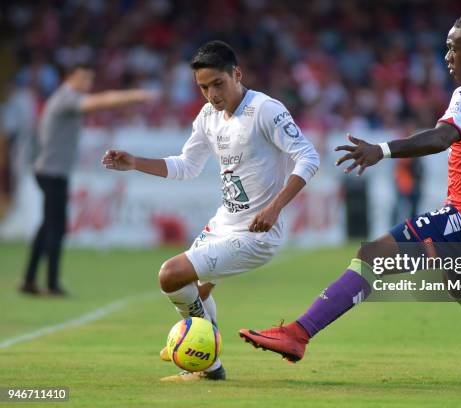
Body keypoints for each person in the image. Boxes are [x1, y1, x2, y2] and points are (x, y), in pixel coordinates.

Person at [240, 12, 461, 385]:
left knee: (373, 255)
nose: (446, 56)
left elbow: (441, 137)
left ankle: (298, 335)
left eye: (452, 48)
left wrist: (381, 150)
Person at [101, 41, 319, 381]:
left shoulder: (265, 110)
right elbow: (187, 165)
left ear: (237, 74)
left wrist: (275, 208)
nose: (212, 94)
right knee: (195, 293)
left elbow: (309, 157)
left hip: (256, 234)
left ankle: (202, 353)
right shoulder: (208, 116)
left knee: (170, 275)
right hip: (223, 224)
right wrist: (134, 163)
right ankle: (208, 365)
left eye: (218, 83)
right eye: (203, 87)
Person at [20, 64, 157, 296]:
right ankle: (51, 284)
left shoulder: (63, 98)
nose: (87, 84)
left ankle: (30, 280)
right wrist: (135, 95)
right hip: (52, 172)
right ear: (69, 77)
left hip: (51, 171)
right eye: (84, 78)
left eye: (90, 79)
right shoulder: (66, 98)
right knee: (56, 227)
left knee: (48, 226)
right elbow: (100, 101)